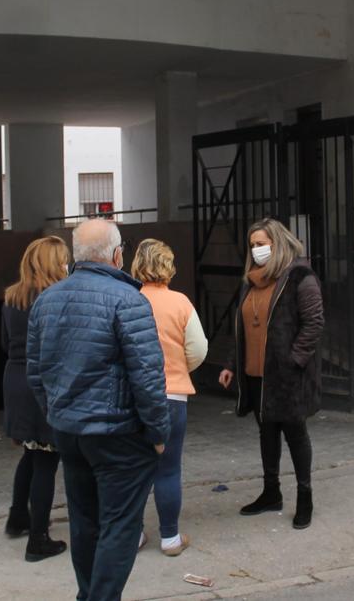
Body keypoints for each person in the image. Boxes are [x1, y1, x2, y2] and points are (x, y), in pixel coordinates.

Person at [27, 219, 170, 601]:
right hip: (117, 434)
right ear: (117, 254)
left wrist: (57, 414)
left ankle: (87, 594)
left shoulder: (48, 299)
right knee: (120, 525)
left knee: (84, 522)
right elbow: (148, 375)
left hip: (71, 433)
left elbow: (36, 372)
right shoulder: (128, 300)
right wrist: (158, 433)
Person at [218, 217, 324, 529]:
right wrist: (230, 364)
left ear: (277, 244)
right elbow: (239, 327)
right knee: (266, 432)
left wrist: (294, 361)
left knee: (295, 432)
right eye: (252, 245)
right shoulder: (250, 281)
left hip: (287, 373)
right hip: (255, 372)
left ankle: (305, 496)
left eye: (261, 244)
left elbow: (314, 323)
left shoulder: (299, 277)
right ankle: (271, 492)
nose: (256, 250)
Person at [131, 239, 208, 557]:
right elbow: (199, 349)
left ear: (137, 264)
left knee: (133, 470)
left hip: (133, 397)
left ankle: (134, 535)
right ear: (169, 266)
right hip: (173, 395)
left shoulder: (128, 300)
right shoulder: (181, 303)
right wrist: (178, 367)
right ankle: (170, 538)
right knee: (168, 468)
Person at [1, 236, 69, 562]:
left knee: (30, 452)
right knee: (46, 458)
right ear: (54, 263)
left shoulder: (12, 297)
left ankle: (18, 517)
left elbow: (5, 342)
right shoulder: (55, 299)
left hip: (15, 379)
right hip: (42, 383)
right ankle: (38, 539)